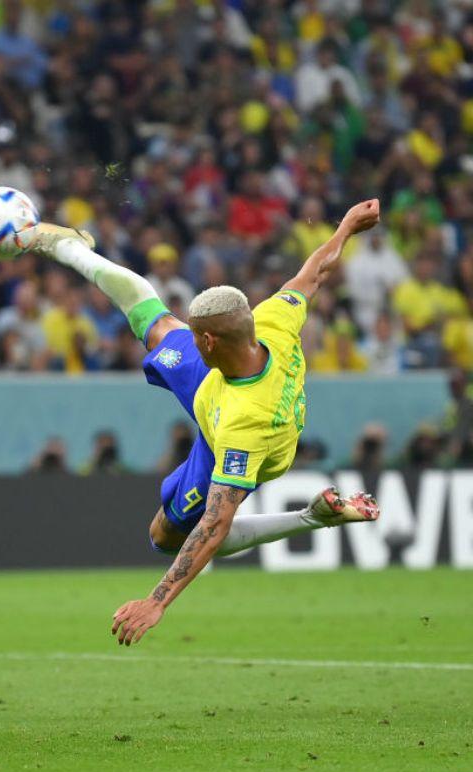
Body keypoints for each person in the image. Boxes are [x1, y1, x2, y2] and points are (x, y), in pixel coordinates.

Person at [31, 200, 384, 646]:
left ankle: (310, 517)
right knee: (154, 321)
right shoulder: (273, 321)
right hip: (217, 382)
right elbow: (315, 272)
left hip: (235, 433)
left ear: (210, 340)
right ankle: (71, 249)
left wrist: (157, 600)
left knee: (165, 535)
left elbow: (215, 526)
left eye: (196, 333)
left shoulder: (244, 429)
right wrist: (347, 227)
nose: (189, 335)